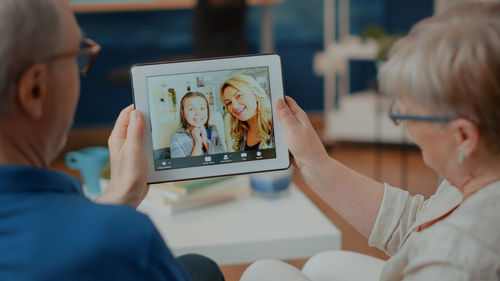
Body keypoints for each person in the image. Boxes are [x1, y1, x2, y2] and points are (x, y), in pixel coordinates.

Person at [240, 3, 500, 281]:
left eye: (407, 114)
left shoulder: (459, 260)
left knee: (263, 272)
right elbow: (421, 225)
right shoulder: (481, 167)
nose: (402, 124)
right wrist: (315, 162)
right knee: (322, 263)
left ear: (463, 136)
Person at [0, 1, 224, 280]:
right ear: (36, 88)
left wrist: (120, 193)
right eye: (77, 56)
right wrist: (113, 224)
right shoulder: (127, 238)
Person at [219, 74, 273, 152]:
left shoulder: (276, 124)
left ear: (255, 94)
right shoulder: (240, 133)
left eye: (239, 96)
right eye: (228, 103)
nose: (234, 106)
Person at [170, 92, 226, 158]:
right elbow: (181, 167)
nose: (198, 113)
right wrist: (198, 143)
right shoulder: (176, 137)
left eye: (202, 108)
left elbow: (222, 160)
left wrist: (205, 141)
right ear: (183, 114)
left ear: (207, 111)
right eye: (191, 109)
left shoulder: (213, 130)